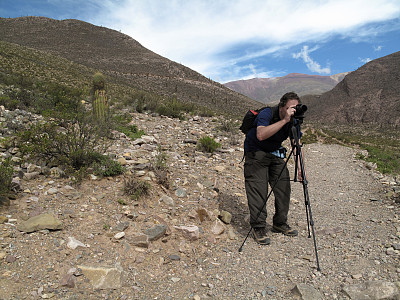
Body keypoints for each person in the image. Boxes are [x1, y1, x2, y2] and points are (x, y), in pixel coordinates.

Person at [243, 92, 302, 245]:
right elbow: (261, 134)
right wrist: (284, 121)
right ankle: (258, 227)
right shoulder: (267, 113)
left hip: (275, 153)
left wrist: (301, 168)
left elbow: (296, 144)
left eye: (295, 108)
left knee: (283, 188)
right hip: (255, 152)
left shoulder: (293, 120)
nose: (292, 111)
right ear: (282, 106)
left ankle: (280, 223)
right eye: (290, 108)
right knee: (258, 189)